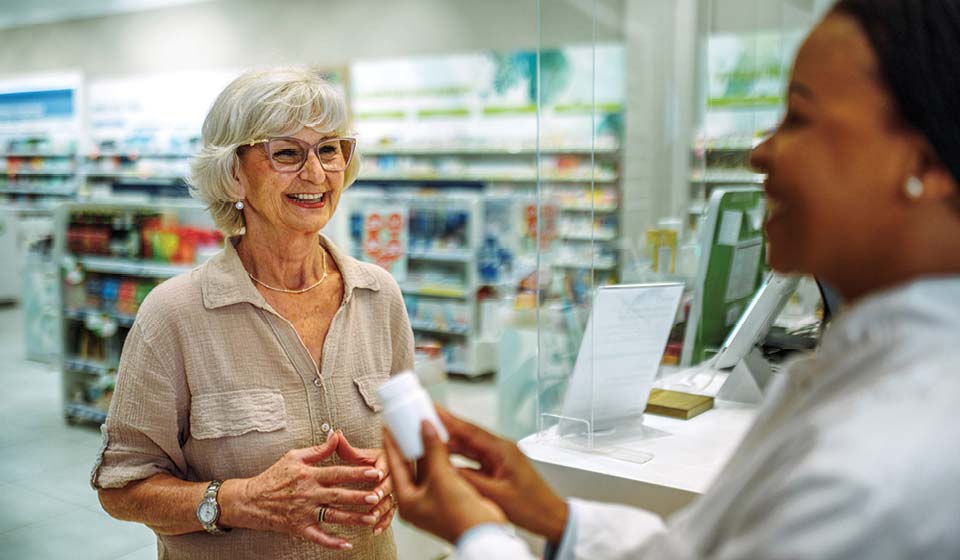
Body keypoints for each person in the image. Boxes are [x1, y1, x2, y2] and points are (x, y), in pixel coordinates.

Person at [384, 1, 960, 558]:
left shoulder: (873, 472)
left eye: (799, 117)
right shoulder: (868, 373)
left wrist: (479, 535)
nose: (761, 152)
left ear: (925, 165)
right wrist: (556, 516)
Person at [92, 68, 413, 559]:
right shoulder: (174, 315)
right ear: (233, 172)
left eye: (329, 149)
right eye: (287, 152)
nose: (316, 173)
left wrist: (398, 467)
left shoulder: (378, 295)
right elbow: (121, 487)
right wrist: (240, 501)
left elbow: (415, 444)